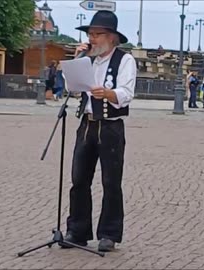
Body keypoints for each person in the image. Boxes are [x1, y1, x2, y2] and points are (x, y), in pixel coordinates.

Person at [63, 10, 136, 253]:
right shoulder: (87, 59)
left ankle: (109, 233)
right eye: (91, 34)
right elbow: (71, 89)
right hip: (86, 124)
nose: (92, 39)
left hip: (111, 126)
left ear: (112, 37)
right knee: (79, 179)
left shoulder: (125, 60)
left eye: (97, 34)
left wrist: (110, 94)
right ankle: (78, 231)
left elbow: (127, 93)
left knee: (110, 181)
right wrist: (74, 63)